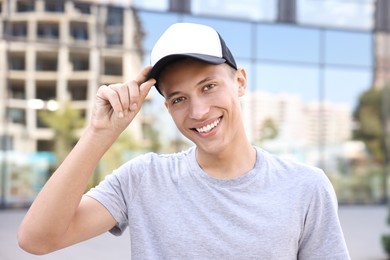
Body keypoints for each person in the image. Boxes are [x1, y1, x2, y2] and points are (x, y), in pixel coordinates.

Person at [18, 22, 350, 259]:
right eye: (179, 99)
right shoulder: (143, 178)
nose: (199, 111)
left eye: (208, 86)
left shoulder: (305, 187)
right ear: (167, 108)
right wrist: (99, 134)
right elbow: (37, 240)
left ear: (240, 81)